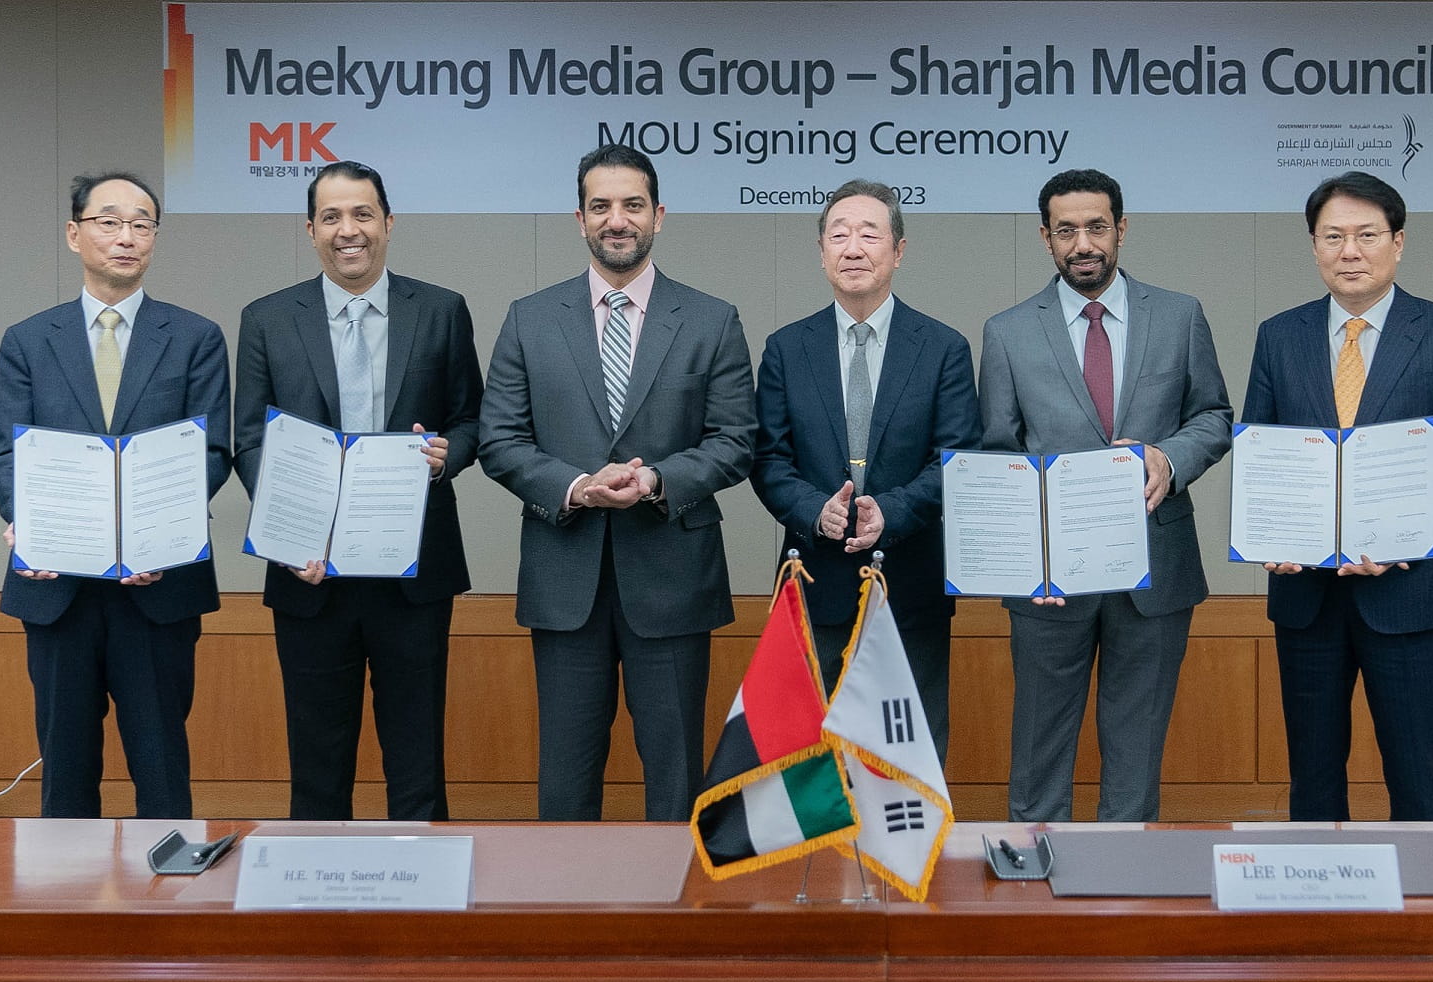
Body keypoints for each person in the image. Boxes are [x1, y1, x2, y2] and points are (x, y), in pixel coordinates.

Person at [478, 143, 756, 822]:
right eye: (600, 206)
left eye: (633, 204)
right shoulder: (530, 318)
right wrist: (576, 486)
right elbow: (499, 440)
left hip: (673, 580)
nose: (617, 219)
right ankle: (568, 894)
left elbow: (735, 441)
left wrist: (657, 478)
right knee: (566, 780)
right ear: (580, 219)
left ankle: (677, 893)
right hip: (565, 580)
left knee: (676, 776)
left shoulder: (712, 319)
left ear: (659, 214)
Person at [1243, 171, 1433, 821]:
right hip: (1306, 595)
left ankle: (1422, 892)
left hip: (1411, 595)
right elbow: (1261, 453)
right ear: (1314, 246)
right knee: (1312, 780)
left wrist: (1404, 534)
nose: (1350, 251)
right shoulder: (1279, 335)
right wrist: (1268, 533)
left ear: (1398, 242)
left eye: (1366, 235)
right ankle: (1315, 887)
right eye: (1333, 236)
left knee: (1416, 778)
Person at [979, 168, 1232, 822]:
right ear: (1046, 238)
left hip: (1156, 568)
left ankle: (1127, 874)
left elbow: (1213, 416)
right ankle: (1033, 867)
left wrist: (1169, 458)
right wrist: (1027, 557)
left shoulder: (1179, 316)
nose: (1083, 243)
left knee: (1136, 747)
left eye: (1096, 227)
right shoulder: (1007, 332)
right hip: (1049, 579)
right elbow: (998, 453)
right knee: (1039, 742)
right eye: (1066, 231)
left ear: (1121, 228)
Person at [233, 160, 483, 821]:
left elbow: (472, 420)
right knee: (317, 767)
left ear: (389, 224)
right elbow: (250, 441)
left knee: (418, 762)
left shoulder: (441, 310)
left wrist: (446, 456)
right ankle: (316, 885)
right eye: (332, 217)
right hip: (308, 574)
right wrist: (287, 532)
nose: (349, 230)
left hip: (414, 574)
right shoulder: (266, 319)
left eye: (363, 214)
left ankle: (423, 880)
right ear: (310, 230)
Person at [0, 171, 230, 818]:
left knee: (162, 767)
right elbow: (7, 454)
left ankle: (171, 881)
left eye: (142, 224)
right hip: (57, 586)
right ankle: (66, 887)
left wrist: (160, 535)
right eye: (109, 222)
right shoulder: (29, 340)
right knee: (65, 772)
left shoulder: (195, 337)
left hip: (159, 586)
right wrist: (27, 521)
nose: (126, 237)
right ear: (75, 234)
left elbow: (211, 453)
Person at [751, 178, 980, 761]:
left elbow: (957, 460)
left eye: (869, 235)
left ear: (898, 251)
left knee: (906, 763)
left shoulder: (943, 348)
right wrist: (815, 511)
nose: (853, 248)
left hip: (911, 589)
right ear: (821, 251)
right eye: (839, 235)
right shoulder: (786, 348)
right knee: (810, 765)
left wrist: (892, 512)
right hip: (813, 587)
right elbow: (768, 458)